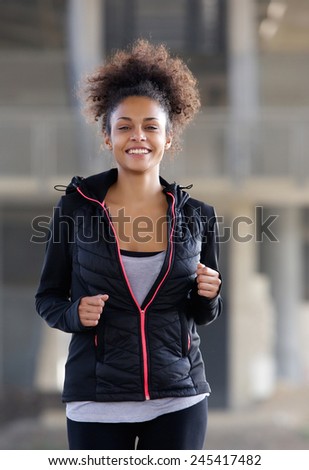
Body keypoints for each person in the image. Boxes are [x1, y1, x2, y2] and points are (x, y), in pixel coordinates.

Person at [35, 39, 222, 450]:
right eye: (124, 126)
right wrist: (75, 314)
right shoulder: (74, 210)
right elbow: (48, 297)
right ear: (108, 137)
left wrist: (208, 295)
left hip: (179, 399)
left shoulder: (199, 217)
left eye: (151, 126)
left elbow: (201, 314)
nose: (138, 136)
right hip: (95, 402)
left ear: (169, 137)